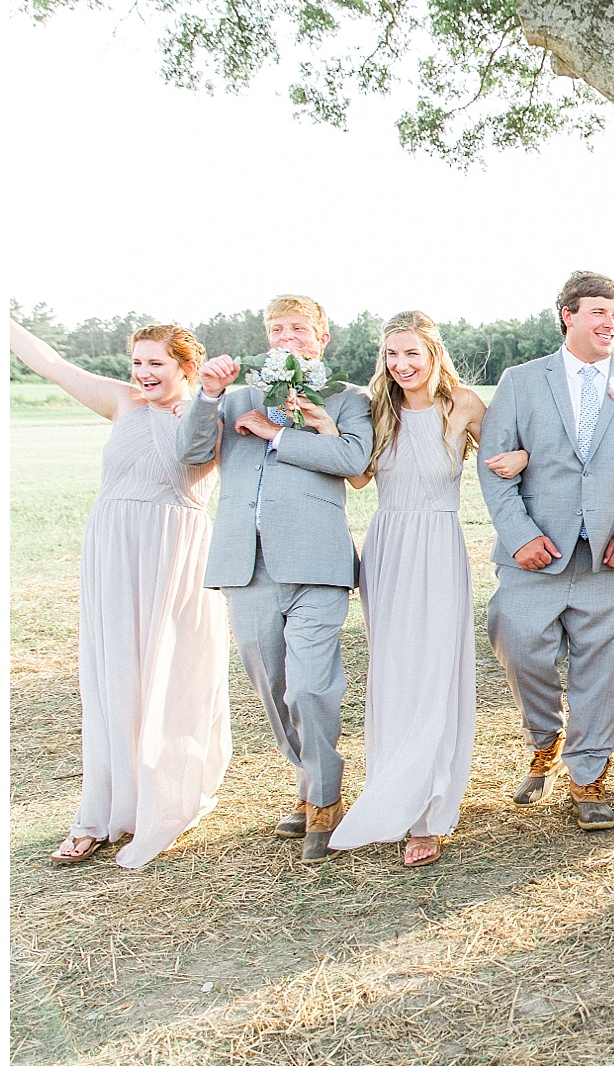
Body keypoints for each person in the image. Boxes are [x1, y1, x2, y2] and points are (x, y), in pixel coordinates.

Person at [11, 320, 231, 868]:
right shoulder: (121, 403)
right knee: (113, 675)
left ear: (185, 365)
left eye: (156, 363)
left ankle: (162, 800)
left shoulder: (212, 415)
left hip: (176, 553)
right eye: (138, 362)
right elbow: (52, 365)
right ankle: (98, 811)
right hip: (114, 549)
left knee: (167, 673)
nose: (144, 373)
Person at [476, 272, 614, 833]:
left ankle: (588, 775)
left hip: (612, 560)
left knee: (601, 671)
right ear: (567, 315)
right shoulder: (521, 382)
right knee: (516, 641)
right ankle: (543, 737)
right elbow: (494, 465)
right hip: (535, 555)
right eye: (598, 312)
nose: (610, 324)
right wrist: (519, 535)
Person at [177, 295, 374, 863]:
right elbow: (191, 452)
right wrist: (209, 395)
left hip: (318, 562)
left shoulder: (347, 397)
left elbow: (355, 462)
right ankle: (311, 781)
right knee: (274, 690)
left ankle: (324, 799)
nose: (287, 336)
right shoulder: (235, 396)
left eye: (299, 329)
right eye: (277, 328)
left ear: (322, 337)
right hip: (247, 563)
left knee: (311, 685)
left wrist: (274, 434)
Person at [327, 312, 487, 868]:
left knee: (437, 669)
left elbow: (502, 465)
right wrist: (322, 428)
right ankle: (393, 785)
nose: (401, 365)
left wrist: (517, 458)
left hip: (440, 543)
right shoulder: (379, 409)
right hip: (389, 546)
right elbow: (357, 476)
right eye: (392, 355)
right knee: (394, 671)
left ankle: (431, 810)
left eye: (411, 353)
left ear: (433, 353)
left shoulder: (463, 404)